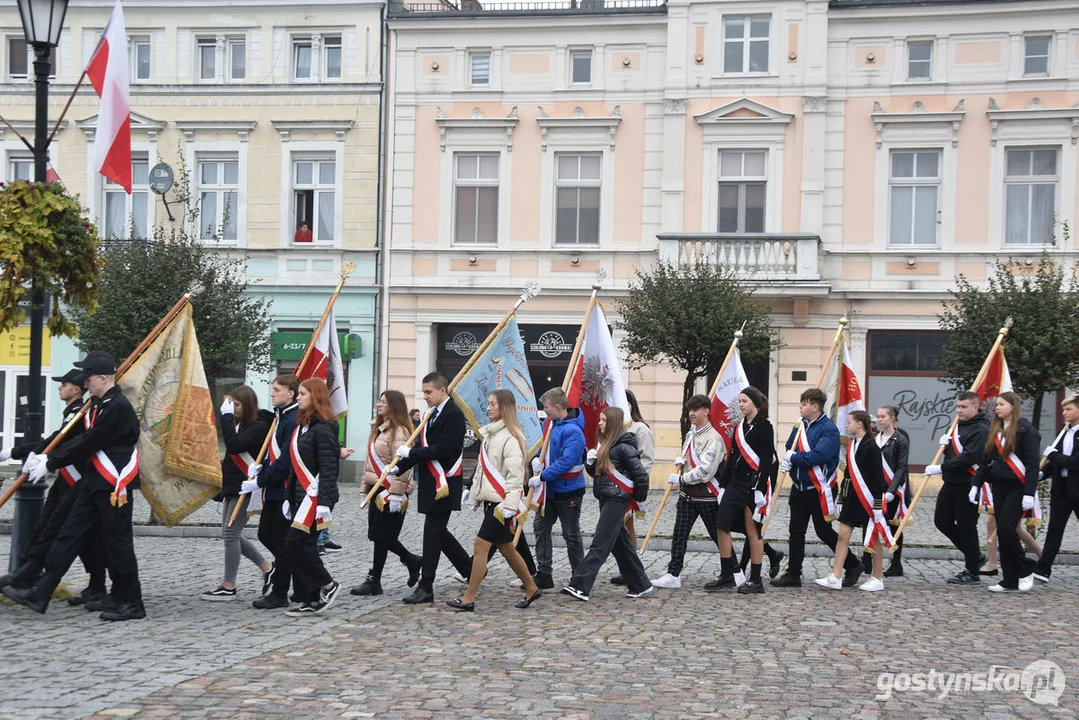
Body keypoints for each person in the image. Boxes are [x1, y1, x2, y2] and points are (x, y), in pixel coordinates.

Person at [3, 352, 145, 621]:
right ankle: (41, 591)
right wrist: (47, 457)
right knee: (68, 533)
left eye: (89, 376)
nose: (85, 381)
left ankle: (132, 601)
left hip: (113, 484)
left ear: (103, 378)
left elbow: (90, 442)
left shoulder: (116, 407)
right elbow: (77, 439)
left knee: (117, 543)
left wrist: (51, 462)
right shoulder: (99, 404)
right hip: (93, 481)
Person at [0, 368, 106, 605]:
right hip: (67, 480)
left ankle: (30, 577)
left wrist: (15, 453)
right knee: (74, 535)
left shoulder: (80, 413)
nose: (60, 387)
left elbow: (55, 441)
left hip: (77, 481)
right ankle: (92, 586)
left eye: (64, 384)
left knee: (64, 533)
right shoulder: (74, 411)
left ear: (76, 390)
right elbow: (55, 440)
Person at [448, 390, 543, 611]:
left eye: (493, 404)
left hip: (502, 505)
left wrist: (510, 506)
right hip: (492, 501)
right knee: (508, 549)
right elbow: (483, 470)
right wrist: (473, 494)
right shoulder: (492, 435)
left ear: (504, 408)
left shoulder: (511, 437)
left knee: (480, 546)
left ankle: (469, 597)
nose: (488, 407)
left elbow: (515, 475)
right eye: (488, 403)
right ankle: (531, 587)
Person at [391, 371, 473, 604]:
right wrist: (398, 467)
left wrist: (412, 453)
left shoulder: (454, 414)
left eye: (428, 392)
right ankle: (470, 569)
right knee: (439, 533)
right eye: (423, 392)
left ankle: (426, 585)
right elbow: (420, 446)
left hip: (445, 482)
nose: (425, 396)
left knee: (432, 533)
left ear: (442, 391)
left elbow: (443, 449)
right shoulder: (430, 414)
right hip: (432, 482)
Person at [772, 388, 861, 587]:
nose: (800, 407)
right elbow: (790, 446)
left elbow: (820, 456)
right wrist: (788, 458)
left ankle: (853, 564)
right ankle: (793, 573)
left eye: (804, 404)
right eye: (801, 403)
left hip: (820, 489)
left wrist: (794, 458)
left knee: (823, 531)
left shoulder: (829, 429)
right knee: (796, 531)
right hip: (800, 487)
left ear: (815, 407)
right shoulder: (800, 425)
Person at [563, 407, 652, 601]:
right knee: (621, 546)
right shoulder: (606, 444)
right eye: (600, 419)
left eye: (603, 420)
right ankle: (641, 585)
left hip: (617, 500)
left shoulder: (624, 447)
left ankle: (580, 585)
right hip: (606, 497)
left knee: (600, 544)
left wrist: (640, 500)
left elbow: (641, 476)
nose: (600, 423)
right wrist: (589, 463)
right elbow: (598, 474)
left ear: (612, 422)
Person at [202, 386, 276, 601]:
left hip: (247, 486)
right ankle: (267, 566)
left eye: (237, 405)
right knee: (228, 532)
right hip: (234, 483)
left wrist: (225, 419)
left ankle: (229, 585)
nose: (233, 409)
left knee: (231, 533)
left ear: (248, 404)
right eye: (231, 404)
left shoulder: (260, 425)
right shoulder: (241, 424)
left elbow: (234, 446)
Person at [651, 394, 724, 591]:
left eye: (696, 409)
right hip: (687, 496)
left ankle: (734, 571)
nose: (692, 413)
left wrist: (681, 478)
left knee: (718, 536)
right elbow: (689, 458)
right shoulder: (691, 434)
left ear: (706, 411)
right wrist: (681, 463)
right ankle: (674, 574)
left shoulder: (714, 438)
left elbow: (706, 471)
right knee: (679, 534)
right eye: (690, 409)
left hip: (706, 496)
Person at [353, 390, 422, 596]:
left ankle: (375, 580)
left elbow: (403, 464)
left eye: (384, 401)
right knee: (379, 536)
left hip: (391, 492)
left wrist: (397, 492)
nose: (379, 404)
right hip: (378, 488)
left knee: (384, 537)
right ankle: (411, 560)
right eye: (379, 400)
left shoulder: (399, 431)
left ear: (394, 405)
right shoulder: (380, 429)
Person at [282, 378, 342, 614]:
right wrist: (289, 497)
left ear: (315, 397)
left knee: (295, 543)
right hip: (301, 496)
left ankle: (327, 584)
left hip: (316, 497)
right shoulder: (302, 427)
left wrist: (324, 503)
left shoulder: (324, 428)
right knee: (301, 545)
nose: (298, 397)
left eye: (303, 394)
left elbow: (329, 467)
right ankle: (310, 598)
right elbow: (295, 468)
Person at [815, 410, 890, 592]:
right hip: (852, 499)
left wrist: (878, 505)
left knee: (872, 539)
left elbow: (878, 478)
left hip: (868, 500)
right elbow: (848, 475)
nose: (846, 426)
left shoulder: (871, 447)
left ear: (859, 424)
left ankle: (877, 577)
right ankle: (836, 576)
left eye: (849, 422)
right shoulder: (852, 444)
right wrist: (841, 499)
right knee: (843, 536)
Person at [974, 391, 1040, 593]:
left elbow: (1032, 464)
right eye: (997, 405)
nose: (998, 408)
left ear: (1013, 405)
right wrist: (976, 484)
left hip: (1018, 487)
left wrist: (1030, 492)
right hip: (1000, 486)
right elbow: (985, 461)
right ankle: (1010, 579)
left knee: (1006, 528)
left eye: (1002, 404)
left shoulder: (1025, 429)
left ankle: (1026, 568)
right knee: (1003, 533)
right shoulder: (996, 429)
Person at [714, 387, 775, 595]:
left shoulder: (765, 427)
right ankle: (726, 574)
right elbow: (732, 457)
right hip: (736, 482)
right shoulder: (739, 426)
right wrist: (723, 485)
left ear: (755, 403)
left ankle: (756, 580)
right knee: (722, 524)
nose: (741, 404)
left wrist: (760, 489)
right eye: (739, 401)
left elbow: (767, 460)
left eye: (744, 401)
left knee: (753, 531)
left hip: (753, 482)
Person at [925, 391, 989, 585]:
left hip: (968, 483)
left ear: (975, 407)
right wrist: (946, 446)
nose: (959, 410)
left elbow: (969, 458)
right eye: (958, 406)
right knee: (942, 521)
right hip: (951, 482)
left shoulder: (982, 429)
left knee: (966, 526)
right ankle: (975, 556)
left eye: (963, 407)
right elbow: (954, 453)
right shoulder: (956, 425)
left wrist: (940, 467)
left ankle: (972, 572)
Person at [527, 387, 586, 590]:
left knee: (571, 534)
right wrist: (537, 460)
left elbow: (566, 461)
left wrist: (542, 476)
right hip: (550, 490)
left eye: (547, 407)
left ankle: (579, 576)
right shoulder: (550, 425)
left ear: (558, 407)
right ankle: (544, 573)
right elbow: (544, 449)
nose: (545, 411)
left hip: (569, 490)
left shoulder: (573, 431)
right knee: (540, 527)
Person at [250, 374, 300, 609]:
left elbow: (287, 460)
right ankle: (299, 579)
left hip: (284, 489)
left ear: (290, 393)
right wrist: (261, 468)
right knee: (266, 535)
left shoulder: (292, 419)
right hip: (274, 488)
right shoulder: (282, 417)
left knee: (280, 540)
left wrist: (260, 479)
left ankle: (280, 591)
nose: (272, 393)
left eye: (277, 389)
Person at [611, 389, 654, 587]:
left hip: (629, 485)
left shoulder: (640, 429)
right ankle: (627, 567)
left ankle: (630, 568)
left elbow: (646, 459)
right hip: (613, 484)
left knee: (627, 526)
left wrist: (636, 483)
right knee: (619, 527)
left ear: (629, 406)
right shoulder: (614, 428)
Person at [1034, 394, 1079, 582]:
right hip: (1061, 490)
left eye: (1068, 409)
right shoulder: (1064, 431)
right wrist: (1042, 474)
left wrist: (1054, 456)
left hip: (1078, 490)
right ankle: (1043, 569)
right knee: (1054, 529)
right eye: (1063, 409)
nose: (1064, 413)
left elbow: (1075, 463)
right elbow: (1055, 463)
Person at [862, 405, 909, 578]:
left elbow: (901, 467)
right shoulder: (875, 438)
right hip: (876, 488)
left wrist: (891, 490)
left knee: (892, 524)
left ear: (892, 418)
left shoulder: (900, 439)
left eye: (883, 417)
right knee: (870, 520)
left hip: (892, 491)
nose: (879, 420)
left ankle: (896, 562)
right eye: (878, 416)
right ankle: (866, 559)